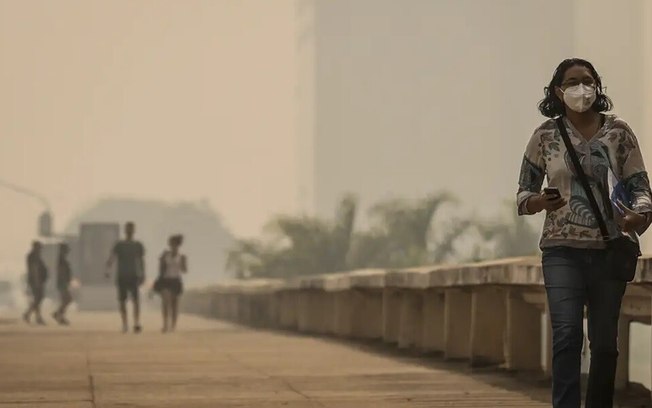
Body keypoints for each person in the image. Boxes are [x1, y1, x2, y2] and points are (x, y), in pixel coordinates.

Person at [517, 58, 652, 407]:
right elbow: (522, 194)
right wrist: (539, 201)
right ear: (558, 91)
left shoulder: (618, 133)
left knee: (606, 344)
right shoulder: (544, 136)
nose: (582, 88)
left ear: (598, 86)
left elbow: (640, 186)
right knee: (567, 335)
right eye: (573, 82)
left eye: (588, 80)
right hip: (562, 250)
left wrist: (638, 215)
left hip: (610, 250)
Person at [106, 222, 145, 333]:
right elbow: (112, 257)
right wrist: (108, 269)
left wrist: (142, 274)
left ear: (134, 230)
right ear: (125, 230)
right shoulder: (119, 245)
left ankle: (136, 323)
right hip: (122, 275)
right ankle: (125, 323)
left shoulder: (138, 245)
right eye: (128, 229)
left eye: (131, 229)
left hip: (133, 275)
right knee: (122, 301)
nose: (129, 231)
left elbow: (141, 261)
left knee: (136, 300)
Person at [155, 234, 187, 333]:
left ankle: (173, 325)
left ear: (178, 245)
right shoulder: (165, 255)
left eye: (175, 244)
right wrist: (161, 260)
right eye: (172, 244)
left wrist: (182, 263)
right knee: (165, 302)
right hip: (166, 280)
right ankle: (165, 324)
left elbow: (184, 270)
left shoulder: (182, 256)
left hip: (176, 281)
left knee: (174, 304)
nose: (173, 246)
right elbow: (160, 269)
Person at [23, 241, 48, 325]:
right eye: (39, 247)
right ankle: (29, 314)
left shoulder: (35, 256)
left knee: (38, 298)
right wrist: (37, 281)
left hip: (37, 280)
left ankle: (35, 317)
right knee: (38, 298)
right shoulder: (33, 256)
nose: (40, 249)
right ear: (35, 247)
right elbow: (34, 269)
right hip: (35, 281)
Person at [53, 243, 73, 325]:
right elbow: (61, 272)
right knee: (67, 299)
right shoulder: (61, 260)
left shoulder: (62, 260)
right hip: (62, 283)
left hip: (63, 283)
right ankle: (59, 315)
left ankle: (59, 315)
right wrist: (64, 282)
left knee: (66, 299)